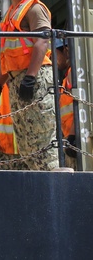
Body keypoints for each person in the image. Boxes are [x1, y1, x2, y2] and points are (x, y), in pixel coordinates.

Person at [0, 0, 58, 170]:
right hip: (18, 80)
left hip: (35, 80)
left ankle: (52, 186)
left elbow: (42, 42)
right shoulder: (11, 14)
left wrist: (30, 78)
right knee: (27, 142)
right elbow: (10, 56)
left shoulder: (34, 9)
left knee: (41, 138)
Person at [55, 37, 76, 169]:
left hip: (75, 140)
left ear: (66, 50)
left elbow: (81, 105)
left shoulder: (73, 74)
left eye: (55, 54)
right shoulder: (66, 78)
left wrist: (73, 136)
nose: (53, 60)